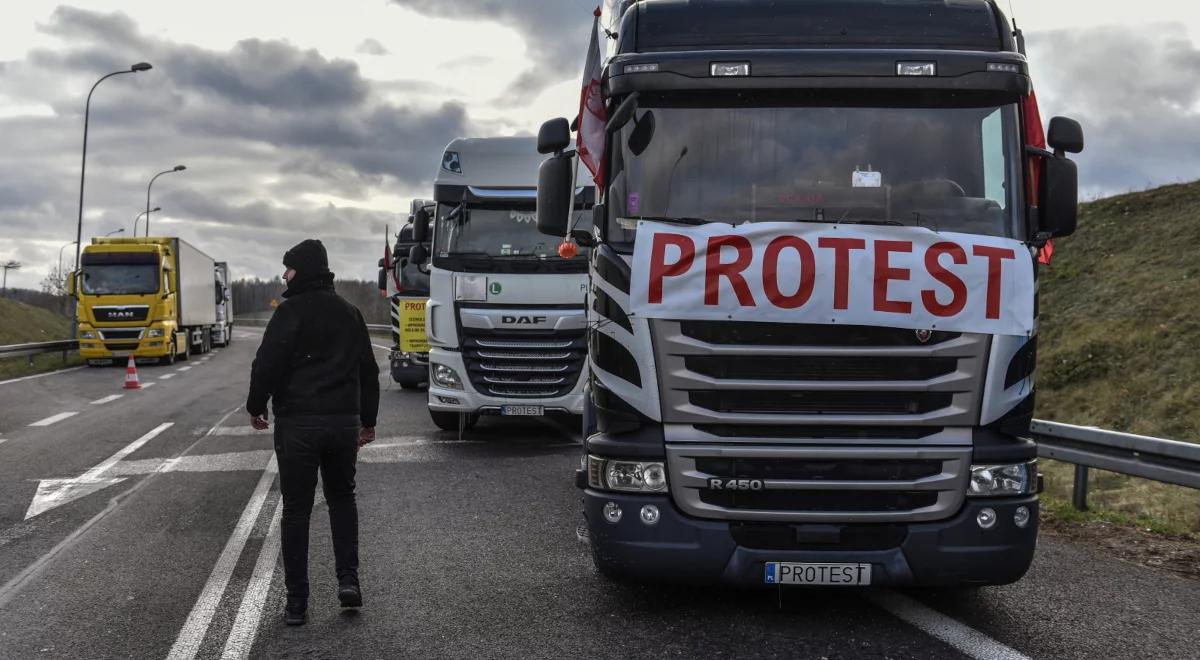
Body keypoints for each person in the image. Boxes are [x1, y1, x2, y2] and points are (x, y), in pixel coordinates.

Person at [246, 239, 380, 626]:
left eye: (288, 269)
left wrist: (257, 406)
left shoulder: (290, 312)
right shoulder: (350, 313)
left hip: (298, 426)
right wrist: (367, 420)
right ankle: (348, 582)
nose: (284, 275)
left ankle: (297, 603)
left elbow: (266, 363)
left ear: (301, 270)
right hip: (341, 424)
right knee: (342, 499)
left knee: (297, 510)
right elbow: (368, 371)